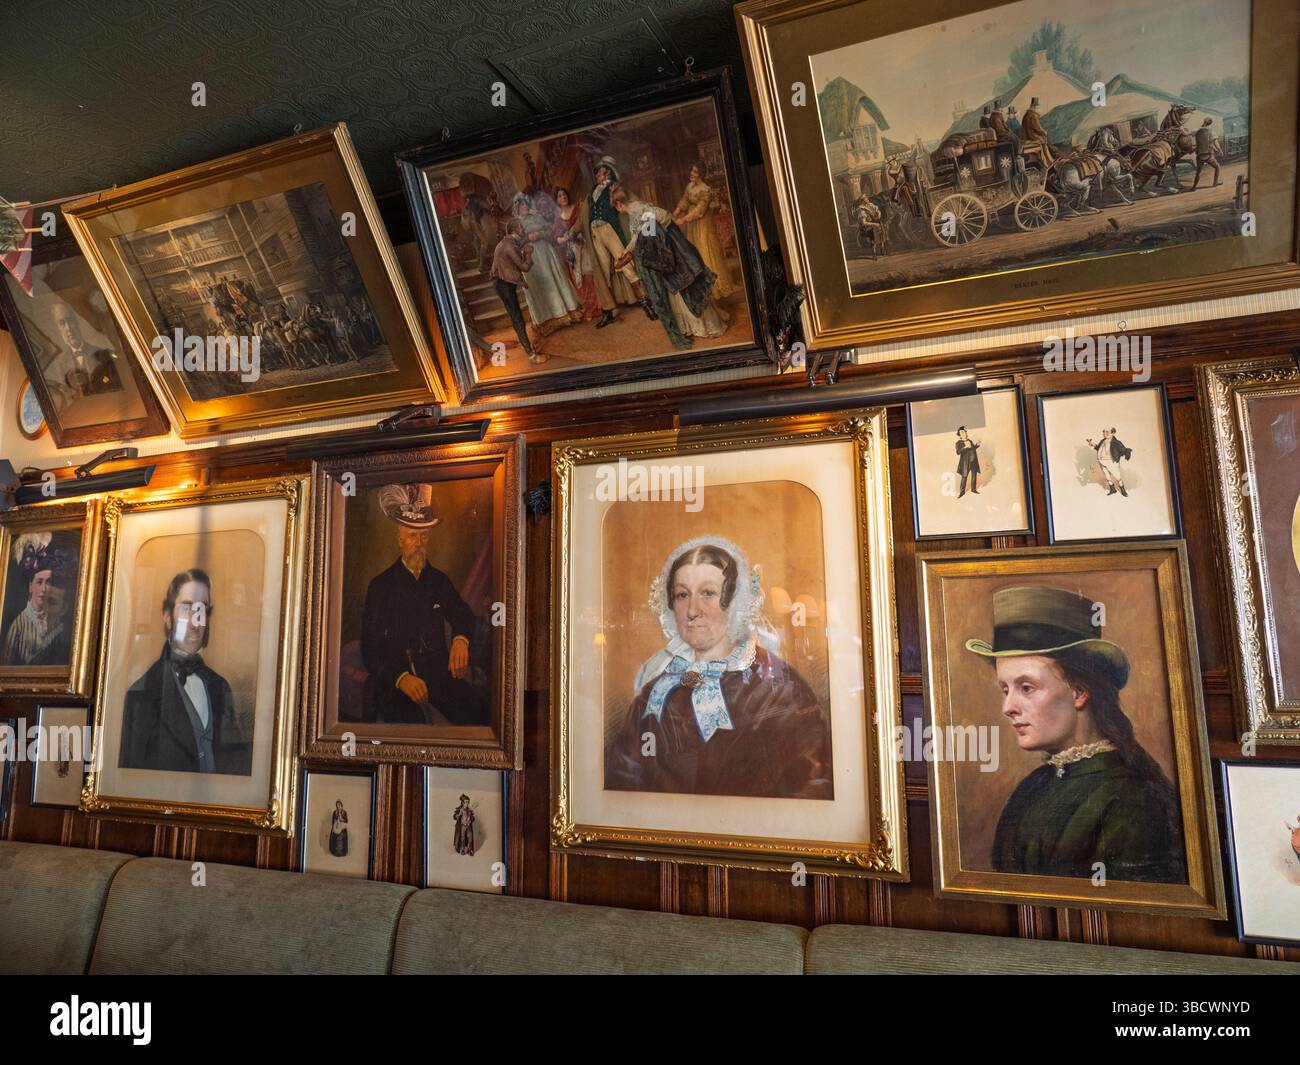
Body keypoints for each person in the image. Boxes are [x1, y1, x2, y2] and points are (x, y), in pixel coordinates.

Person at [966, 585, 1187, 883]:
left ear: (1079, 693)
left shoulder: (1134, 798)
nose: (1008, 707)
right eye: (1005, 690)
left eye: (1026, 688)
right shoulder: (1029, 790)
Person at [604, 537, 833, 799]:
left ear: (735, 602)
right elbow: (622, 780)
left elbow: (811, 788)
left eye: (708, 593)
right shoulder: (655, 693)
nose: (692, 610)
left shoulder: (781, 690)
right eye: (682, 595)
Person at [359, 485, 487, 726]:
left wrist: (461, 639)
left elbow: (463, 614)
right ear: (400, 541)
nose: (418, 543)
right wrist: (401, 677)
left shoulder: (438, 581)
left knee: (477, 714)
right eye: (411, 536)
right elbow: (370, 647)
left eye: (423, 536)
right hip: (395, 680)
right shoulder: (380, 586)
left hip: (438, 675)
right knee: (413, 727)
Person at [119, 569, 251, 775]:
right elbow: (131, 780)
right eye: (186, 609)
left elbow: (236, 763)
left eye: (202, 610)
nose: (195, 622)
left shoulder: (220, 686)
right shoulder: (141, 695)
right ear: (167, 616)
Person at [611, 185, 729, 348]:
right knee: (674, 286)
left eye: (616, 207)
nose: (618, 211)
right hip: (664, 247)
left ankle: (702, 326)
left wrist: (653, 241)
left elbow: (658, 222)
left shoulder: (639, 209)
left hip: (669, 248)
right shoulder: (636, 211)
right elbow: (641, 235)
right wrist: (628, 250)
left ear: (619, 204)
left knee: (681, 283)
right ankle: (688, 326)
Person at [578, 156, 654, 329]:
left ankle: (646, 304)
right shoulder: (591, 193)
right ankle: (608, 312)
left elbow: (630, 201)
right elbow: (583, 218)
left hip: (610, 230)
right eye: (598, 172)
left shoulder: (614, 187)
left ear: (608, 172)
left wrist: (644, 208)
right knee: (603, 272)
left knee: (627, 265)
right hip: (596, 233)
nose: (599, 174)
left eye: (602, 171)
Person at [512, 194, 583, 338]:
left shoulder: (537, 217)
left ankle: (567, 313)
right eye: (522, 206)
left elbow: (550, 231)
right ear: (517, 209)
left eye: (526, 204)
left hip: (546, 252)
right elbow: (513, 242)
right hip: (530, 257)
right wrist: (527, 238)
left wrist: (540, 234)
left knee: (554, 279)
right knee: (541, 285)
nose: (525, 207)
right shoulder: (514, 223)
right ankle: (547, 321)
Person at [1, 536, 73, 666]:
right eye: (39, 582)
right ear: (30, 586)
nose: (44, 589)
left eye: (49, 583)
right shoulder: (18, 624)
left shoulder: (55, 622)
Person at [43, 302, 123, 411]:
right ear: (58, 328)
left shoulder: (101, 354)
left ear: (76, 322)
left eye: (70, 321)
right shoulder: (61, 364)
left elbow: (117, 390)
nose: (68, 328)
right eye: (62, 323)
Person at [672, 164, 735, 300]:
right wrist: (678, 209)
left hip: (703, 224)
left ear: (701, 174)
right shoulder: (689, 186)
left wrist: (683, 219)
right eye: (692, 170)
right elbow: (685, 200)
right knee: (694, 249)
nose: (692, 173)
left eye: (695, 171)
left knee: (705, 250)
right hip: (692, 225)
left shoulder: (706, 190)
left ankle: (713, 286)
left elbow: (700, 211)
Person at [488, 219, 541, 364]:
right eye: (521, 227)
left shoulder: (508, 242)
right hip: (503, 283)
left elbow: (519, 245)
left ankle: (529, 349)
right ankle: (530, 354)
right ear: (514, 230)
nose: (523, 229)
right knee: (516, 316)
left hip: (501, 281)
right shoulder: (509, 246)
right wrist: (529, 253)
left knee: (516, 315)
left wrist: (527, 241)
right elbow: (524, 267)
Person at [552, 186, 600, 320]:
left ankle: (598, 306)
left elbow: (586, 222)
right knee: (580, 280)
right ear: (557, 200)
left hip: (585, 245)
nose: (563, 197)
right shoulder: (558, 219)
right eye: (560, 196)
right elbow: (557, 237)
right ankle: (589, 307)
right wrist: (564, 238)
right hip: (572, 251)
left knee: (590, 275)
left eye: (564, 194)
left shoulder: (578, 207)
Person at [1087, 427, 1132, 497]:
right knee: (1107, 476)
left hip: (1111, 462)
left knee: (1117, 477)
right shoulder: (1102, 441)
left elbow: (1123, 449)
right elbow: (1098, 448)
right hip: (1101, 462)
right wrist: (1092, 444)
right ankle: (1112, 489)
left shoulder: (1116, 442)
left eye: (1107, 432)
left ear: (1113, 433)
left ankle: (1123, 490)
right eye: (1104, 432)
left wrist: (1127, 451)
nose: (1104, 433)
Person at [1020, 97, 1055, 164]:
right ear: (1034, 107)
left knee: (1043, 139)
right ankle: (1047, 160)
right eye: (1038, 107)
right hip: (1030, 136)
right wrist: (1044, 132)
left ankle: (1048, 159)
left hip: (1026, 136)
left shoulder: (1027, 114)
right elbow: (1038, 128)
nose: (1039, 109)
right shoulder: (1033, 115)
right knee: (1043, 141)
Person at [1191, 117, 1222, 190]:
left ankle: (1193, 187)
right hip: (1208, 155)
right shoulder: (1211, 131)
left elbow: (1187, 134)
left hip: (1199, 156)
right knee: (1217, 167)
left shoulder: (1197, 130)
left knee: (1198, 172)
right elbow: (1215, 143)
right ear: (1210, 123)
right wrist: (1219, 150)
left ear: (1204, 122)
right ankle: (1215, 183)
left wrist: (1181, 129)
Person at [956, 425, 981, 497]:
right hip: (965, 463)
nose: (965, 433)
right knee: (964, 477)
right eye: (963, 432)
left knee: (974, 476)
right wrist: (965, 447)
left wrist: (977, 445)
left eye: (965, 432)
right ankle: (962, 492)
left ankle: (973, 489)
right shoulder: (959, 443)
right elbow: (958, 452)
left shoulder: (970, 440)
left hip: (973, 461)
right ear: (960, 434)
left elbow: (973, 448)